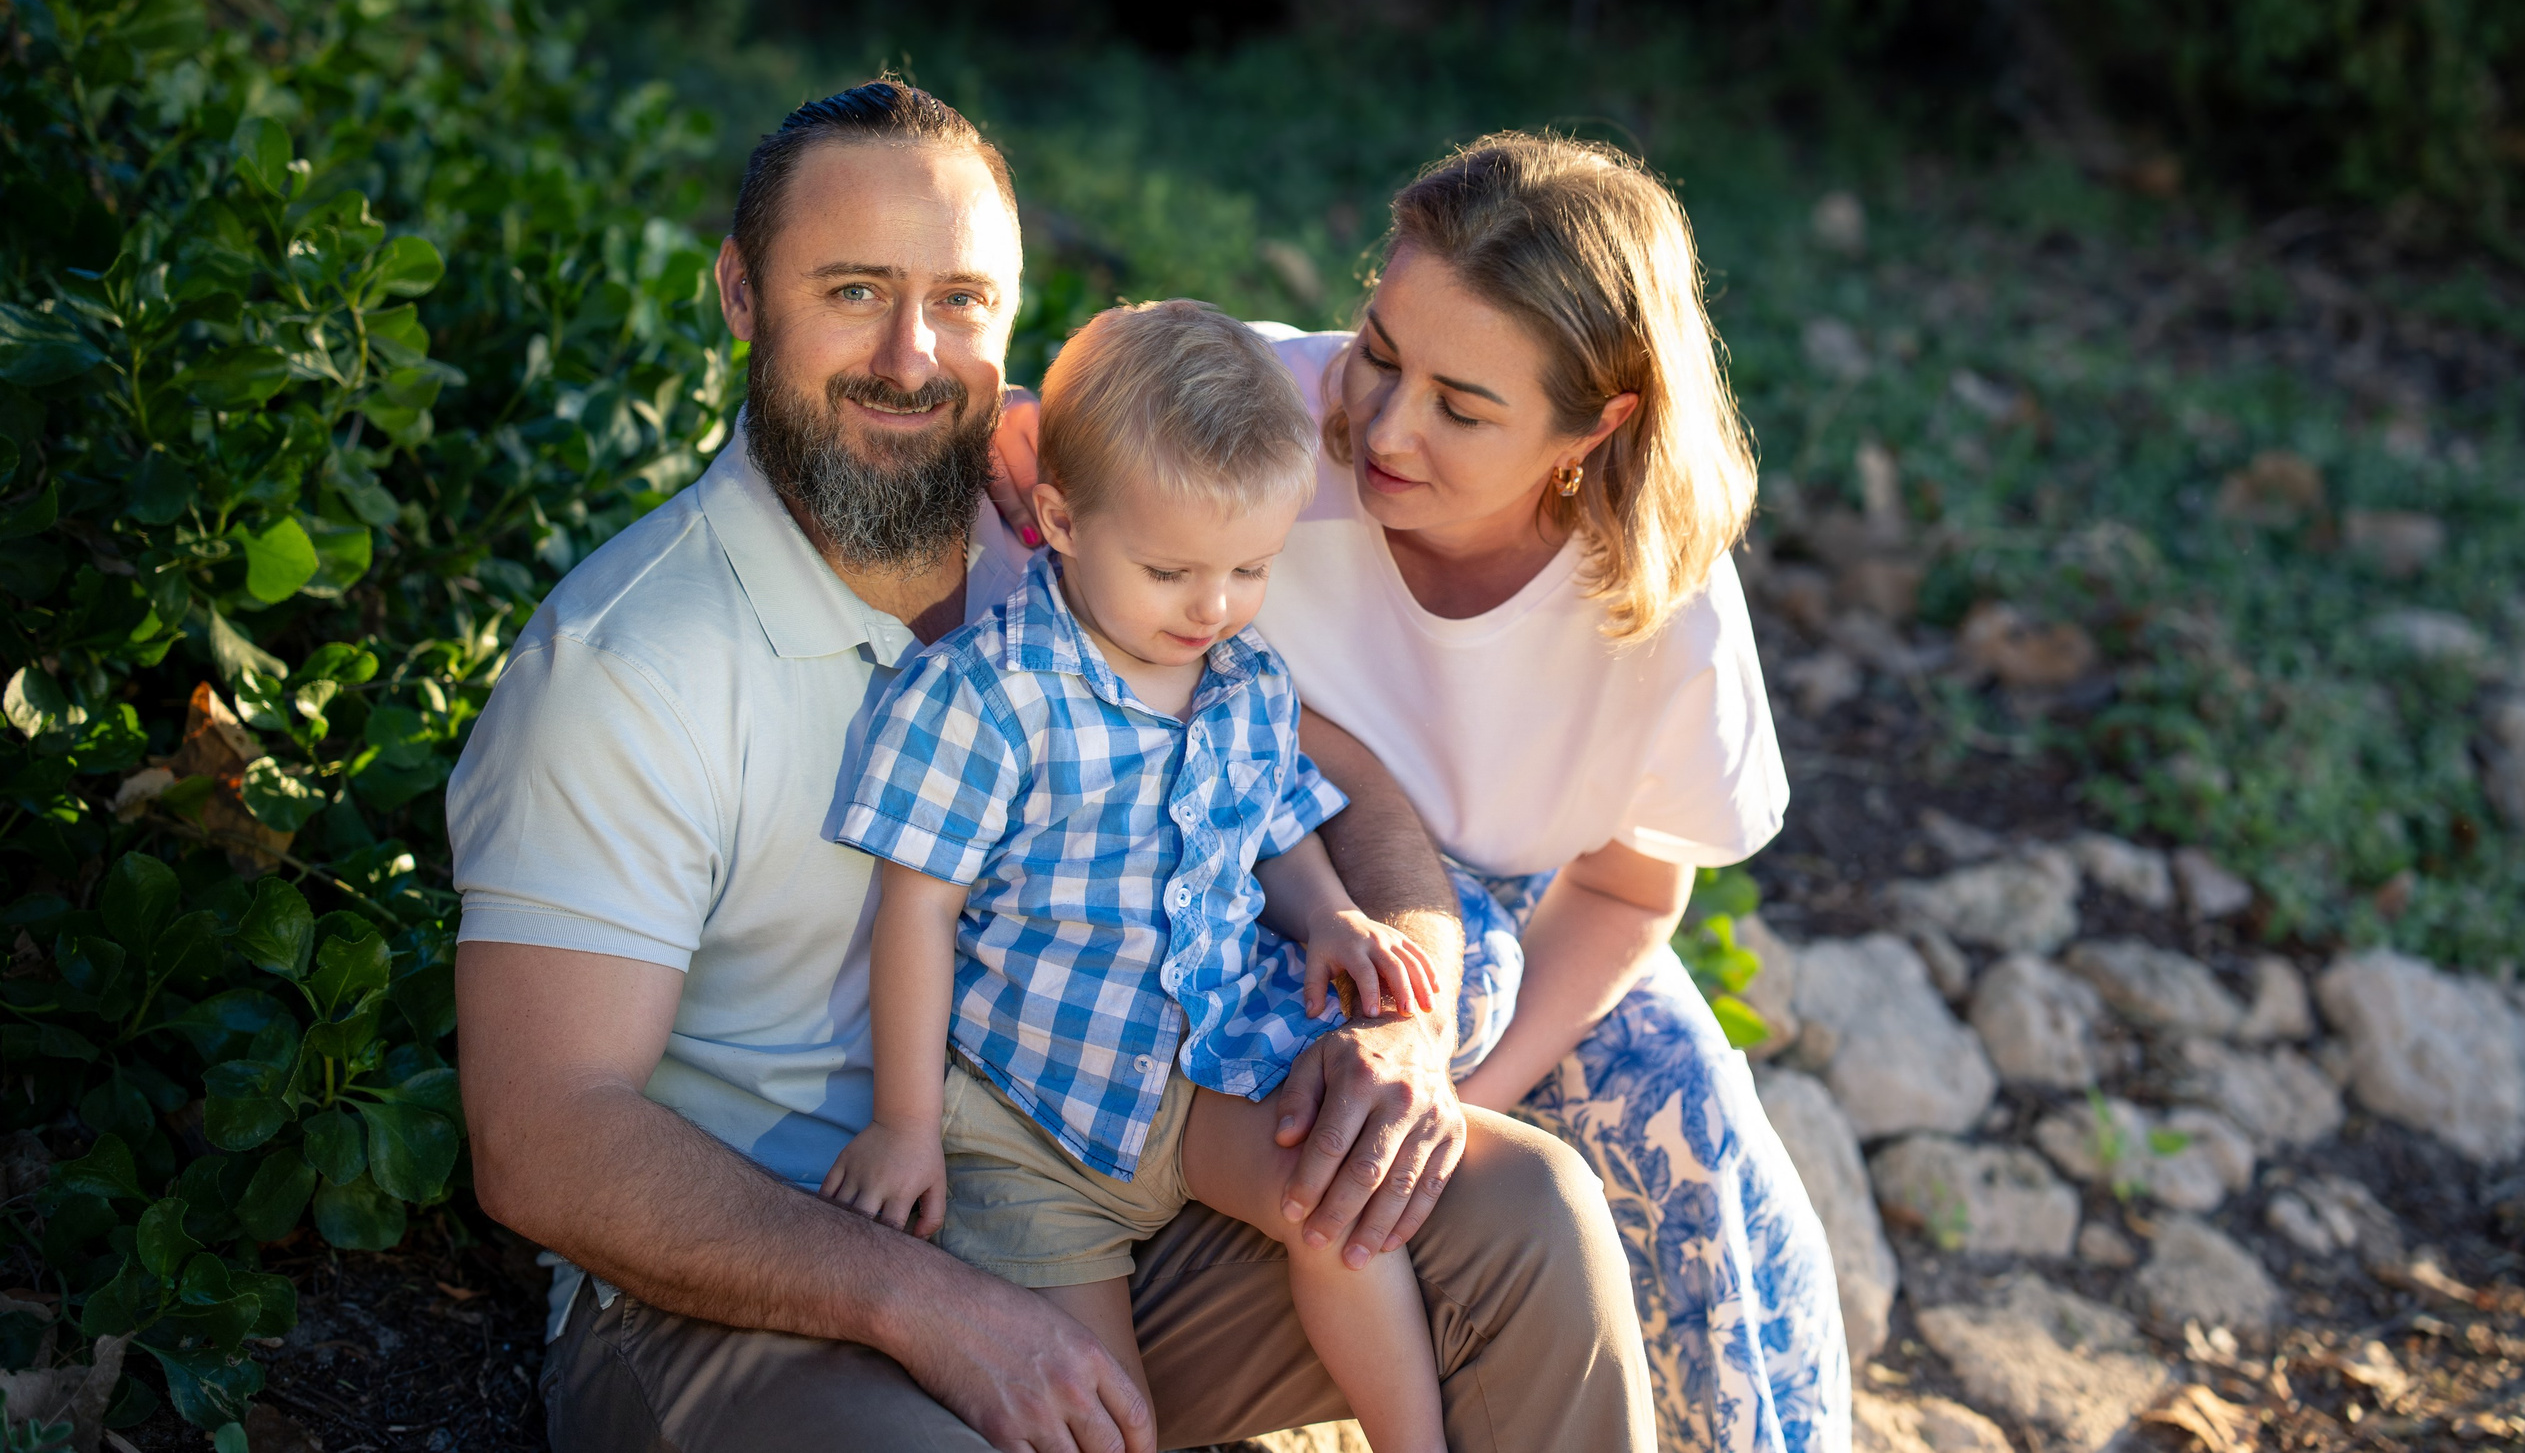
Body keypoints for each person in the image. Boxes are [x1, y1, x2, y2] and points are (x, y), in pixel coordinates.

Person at [446, 82, 1657, 1453]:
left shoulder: (1077, 537)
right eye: (853, 290)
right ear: (739, 292)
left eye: (960, 300)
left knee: (1519, 1215)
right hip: (742, 1297)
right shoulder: (628, 665)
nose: (910, 354)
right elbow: (545, 1139)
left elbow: (1324, 774)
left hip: (1102, 1157)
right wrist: (922, 1299)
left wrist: (1404, 1022)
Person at [991, 132, 1853, 1453]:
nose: (1386, 429)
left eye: (1463, 406)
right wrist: (1006, 426)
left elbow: (1629, 890)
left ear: (1597, 424)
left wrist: (1467, 1091)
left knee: (1685, 1120)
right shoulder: (1251, 412)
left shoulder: (1659, 595)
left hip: (1499, 932)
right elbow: (1051, 434)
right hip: (1235, 862)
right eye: (1380, 352)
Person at [827, 300, 1452, 1453]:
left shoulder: (1243, 676)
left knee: (1341, 1203)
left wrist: (1328, 914)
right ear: (1061, 519)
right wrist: (904, 1126)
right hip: (1031, 1124)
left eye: (1250, 568)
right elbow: (916, 914)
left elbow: (1266, 820)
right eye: (1171, 571)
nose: (1213, 608)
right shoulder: (989, 696)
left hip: (1201, 1065)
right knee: (1102, 1414)